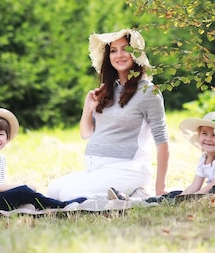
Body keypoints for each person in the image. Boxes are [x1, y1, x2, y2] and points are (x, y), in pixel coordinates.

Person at [47, 29, 170, 200]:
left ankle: (134, 197)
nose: (119, 55)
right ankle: (130, 194)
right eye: (113, 50)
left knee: (70, 195)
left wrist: (160, 187)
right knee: (53, 191)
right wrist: (87, 109)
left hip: (128, 168)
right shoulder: (108, 90)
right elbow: (86, 134)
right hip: (96, 169)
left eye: (125, 49)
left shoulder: (148, 92)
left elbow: (162, 141)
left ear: (136, 54)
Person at [0, 105, 85, 211]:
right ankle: (60, 205)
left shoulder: (0, 158)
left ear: (7, 138)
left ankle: (49, 202)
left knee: (24, 193)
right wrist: (21, 186)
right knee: (22, 191)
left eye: (0, 134)